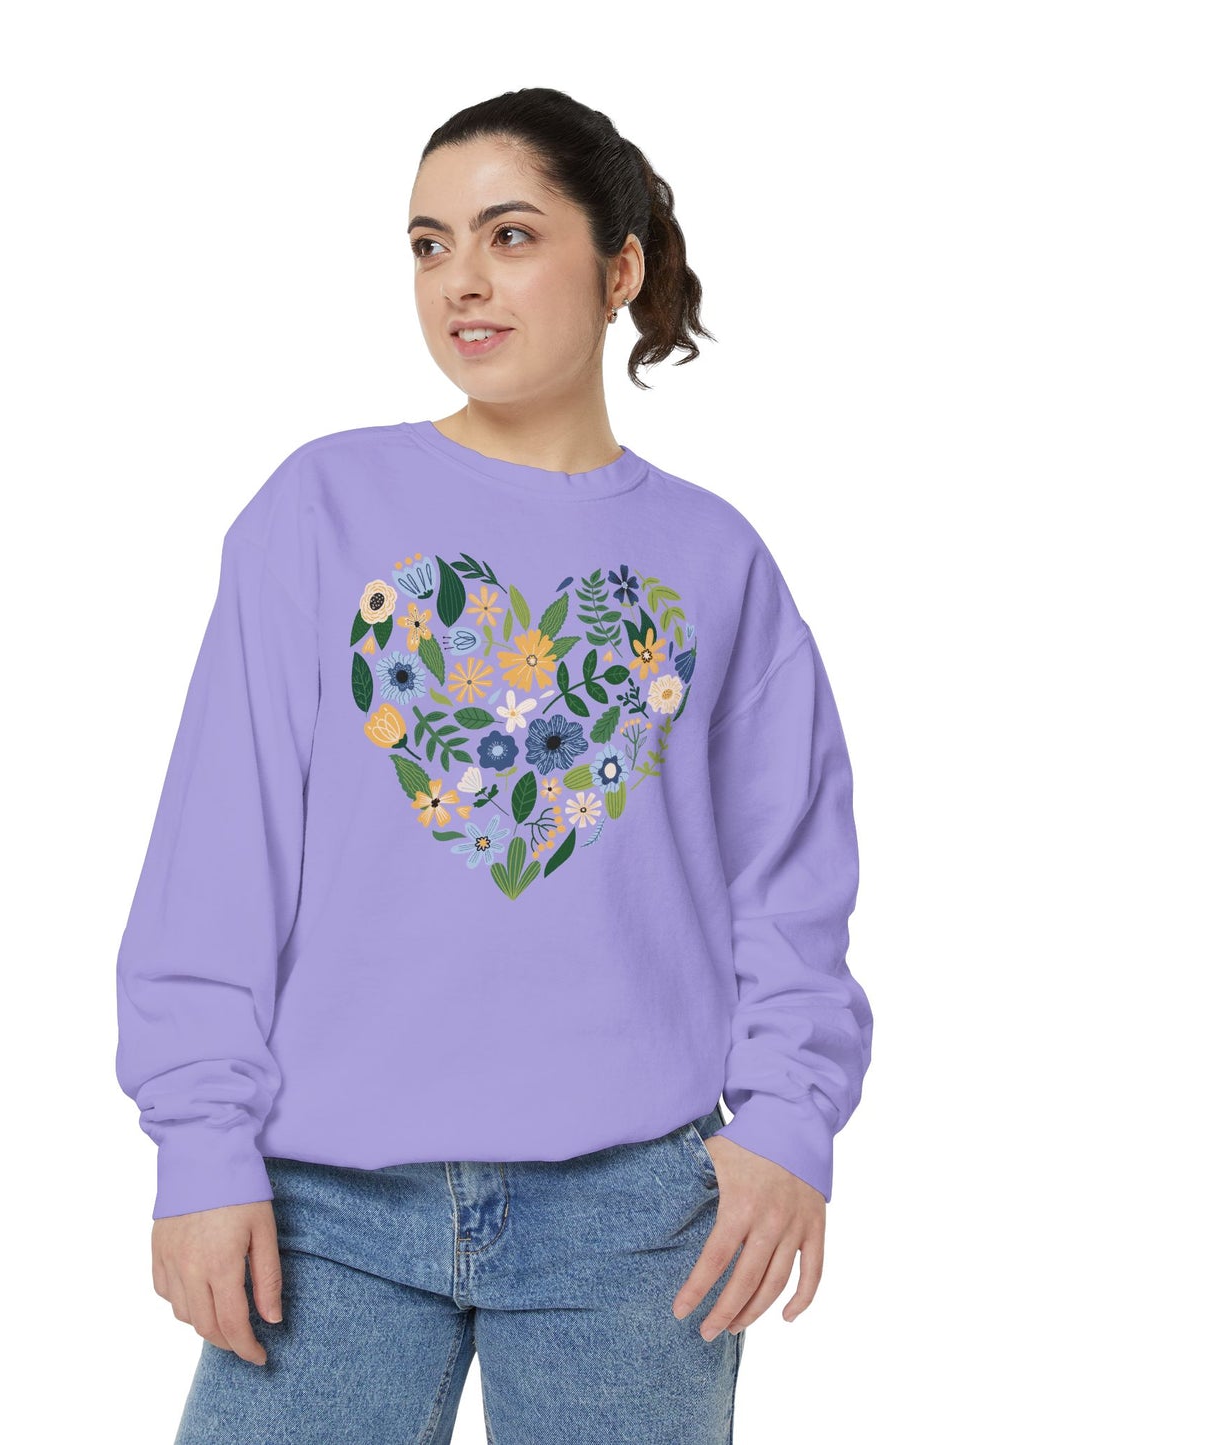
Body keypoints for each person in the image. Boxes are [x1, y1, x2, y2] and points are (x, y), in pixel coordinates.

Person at [115, 86, 873, 1445]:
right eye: (428, 244)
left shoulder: (715, 560)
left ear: (619, 267)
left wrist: (785, 1125)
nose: (459, 279)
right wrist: (200, 1146)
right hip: (324, 1203)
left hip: (636, 1216)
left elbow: (790, 877)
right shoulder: (319, 507)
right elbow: (219, 852)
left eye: (509, 235)